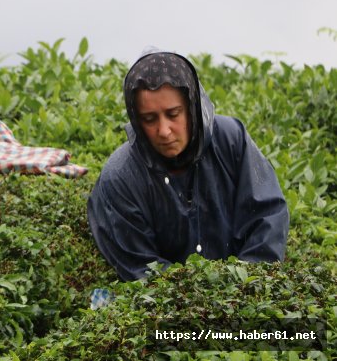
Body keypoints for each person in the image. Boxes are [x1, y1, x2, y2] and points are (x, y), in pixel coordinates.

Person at [87, 49, 289, 281]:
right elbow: (140, 265)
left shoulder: (232, 140)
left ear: (192, 107)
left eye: (173, 114)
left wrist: (243, 285)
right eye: (149, 119)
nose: (164, 131)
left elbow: (268, 218)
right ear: (136, 120)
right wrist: (196, 298)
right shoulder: (121, 176)